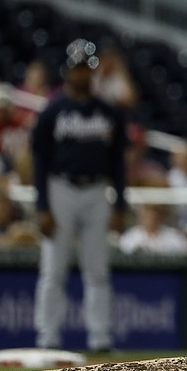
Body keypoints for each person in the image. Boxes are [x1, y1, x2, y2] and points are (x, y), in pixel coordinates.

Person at [30, 38, 128, 351]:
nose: (83, 75)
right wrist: (42, 204)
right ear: (67, 71)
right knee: (53, 269)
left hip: (98, 190)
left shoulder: (107, 111)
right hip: (61, 190)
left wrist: (120, 203)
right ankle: (48, 337)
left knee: (97, 270)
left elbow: (117, 161)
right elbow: (39, 159)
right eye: (78, 69)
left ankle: (100, 338)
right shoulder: (53, 110)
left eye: (87, 68)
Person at [118, 204, 187, 255]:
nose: (151, 220)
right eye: (147, 216)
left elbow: (186, 250)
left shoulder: (172, 235)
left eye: (154, 217)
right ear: (141, 218)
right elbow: (124, 251)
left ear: (160, 218)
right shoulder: (130, 236)